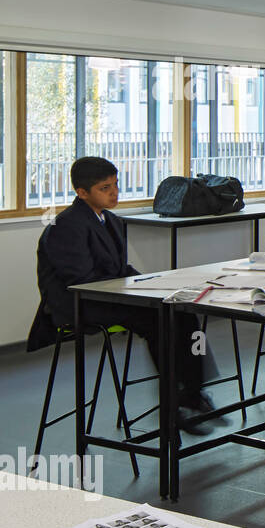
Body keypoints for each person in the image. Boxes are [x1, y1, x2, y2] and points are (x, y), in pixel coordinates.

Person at [28, 157, 214, 426]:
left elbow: (120, 269)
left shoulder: (112, 220)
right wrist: (136, 293)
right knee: (159, 320)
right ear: (82, 192)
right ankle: (172, 404)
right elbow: (82, 280)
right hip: (81, 304)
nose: (114, 192)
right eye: (105, 188)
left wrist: (152, 285)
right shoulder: (66, 225)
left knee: (184, 313)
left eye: (115, 184)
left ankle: (193, 392)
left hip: (109, 295)